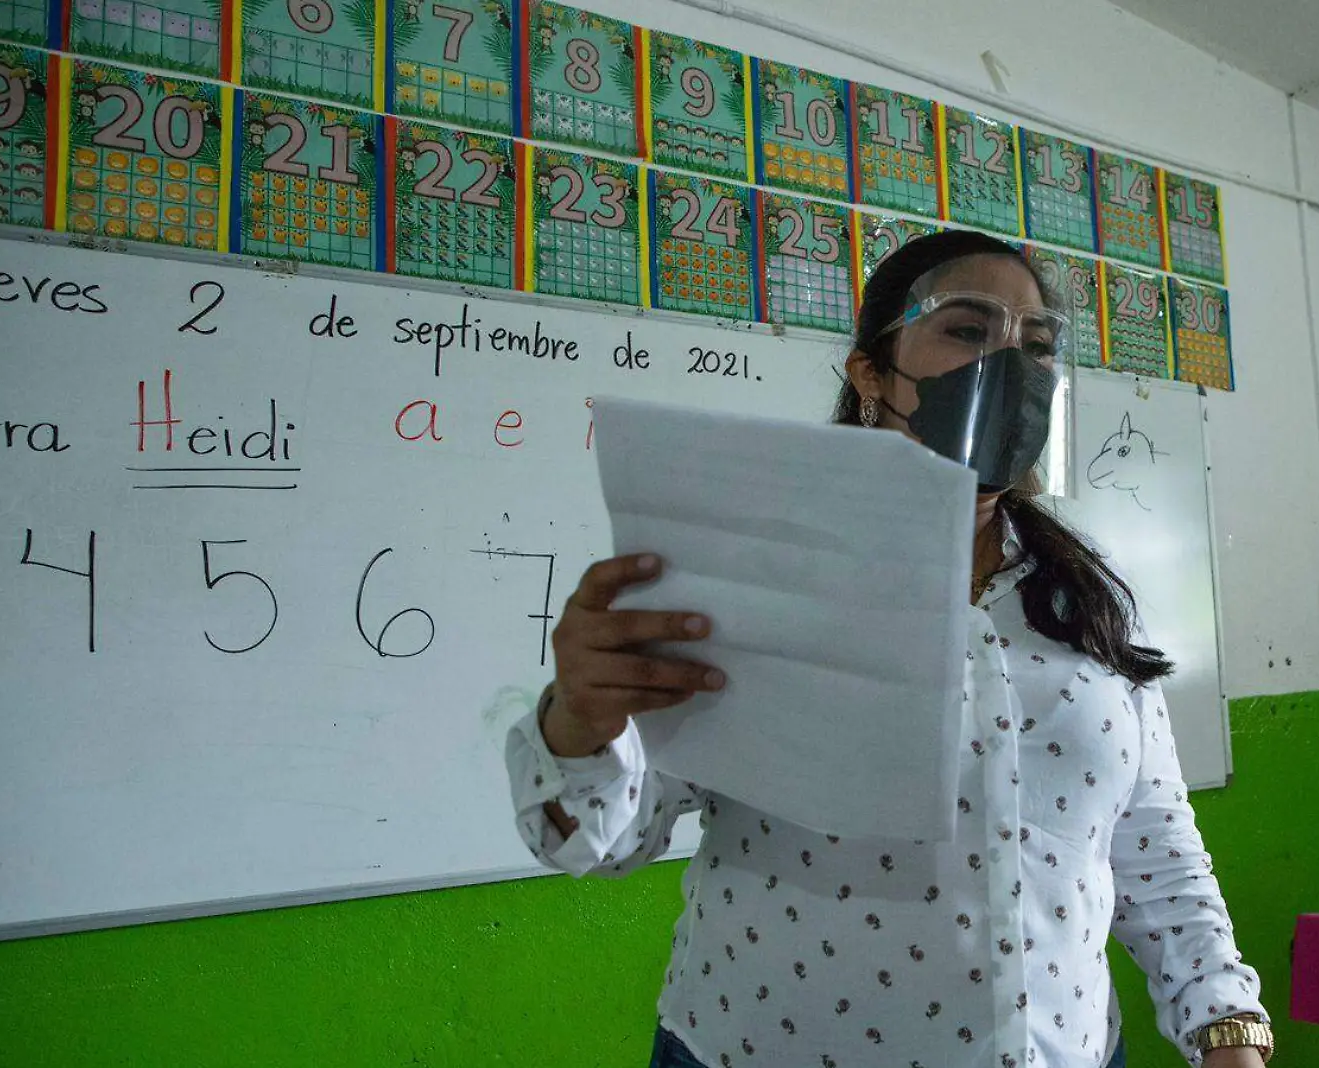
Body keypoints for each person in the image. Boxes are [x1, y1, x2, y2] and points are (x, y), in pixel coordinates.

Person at [505, 230, 1270, 1068]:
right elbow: (600, 842)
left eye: (1037, 344)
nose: (1009, 366)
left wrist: (1226, 1028)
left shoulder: (1086, 597)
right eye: (968, 330)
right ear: (872, 372)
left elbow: (1155, 847)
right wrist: (580, 718)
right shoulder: (757, 574)